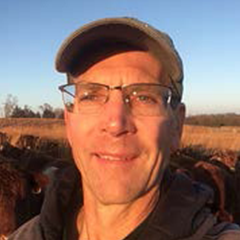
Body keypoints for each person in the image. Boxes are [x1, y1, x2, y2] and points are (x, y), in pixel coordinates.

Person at [9, 17, 240, 240]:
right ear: (69, 123)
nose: (115, 123)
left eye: (144, 97)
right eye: (91, 96)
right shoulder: (28, 234)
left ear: (176, 127)